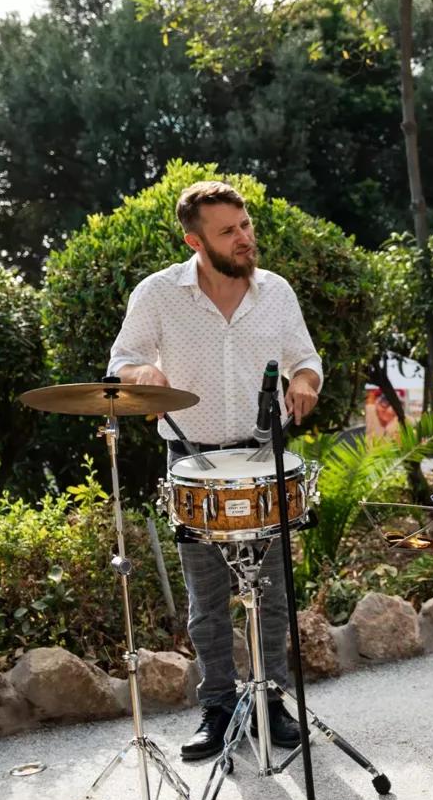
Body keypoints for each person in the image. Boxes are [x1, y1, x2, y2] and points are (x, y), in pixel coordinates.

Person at [108, 180, 320, 760]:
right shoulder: (157, 294)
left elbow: (305, 359)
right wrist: (139, 376)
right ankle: (218, 705)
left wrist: (304, 382)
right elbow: (123, 360)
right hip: (193, 461)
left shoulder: (276, 292)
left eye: (245, 225)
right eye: (229, 232)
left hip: (260, 458)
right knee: (207, 599)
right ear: (195, 240)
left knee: (272, 593)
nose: (245, 238)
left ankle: (271, 700)